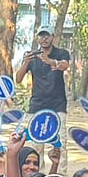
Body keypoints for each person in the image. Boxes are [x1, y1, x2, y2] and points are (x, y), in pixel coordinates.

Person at [15, 28, 72, 164]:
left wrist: (51, 61)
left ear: (52, 37)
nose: (44, 39)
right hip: (37, 104)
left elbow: (64, 65)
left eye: (47, 36)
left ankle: (60, 176)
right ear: (37, 38)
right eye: (41, 36)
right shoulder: (32, 56)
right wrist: (26, 62)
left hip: (57, 104)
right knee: (36, 143)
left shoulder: (61, 53)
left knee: (60, 143)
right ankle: (37, 176)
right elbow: (18, 79)